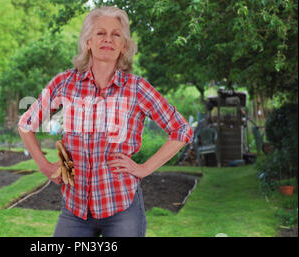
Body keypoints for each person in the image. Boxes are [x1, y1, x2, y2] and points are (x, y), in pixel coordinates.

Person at [18, 6, 193, 237]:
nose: (108, 40)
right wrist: (44, 165)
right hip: (75, 209)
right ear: (88, 41)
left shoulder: (137, 89)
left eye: (116, 34)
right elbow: (26, 123)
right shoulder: (65, 83)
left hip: (122, 208)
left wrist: (143, 169)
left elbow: (181, 129)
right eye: (101, 33)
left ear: (123, 47)